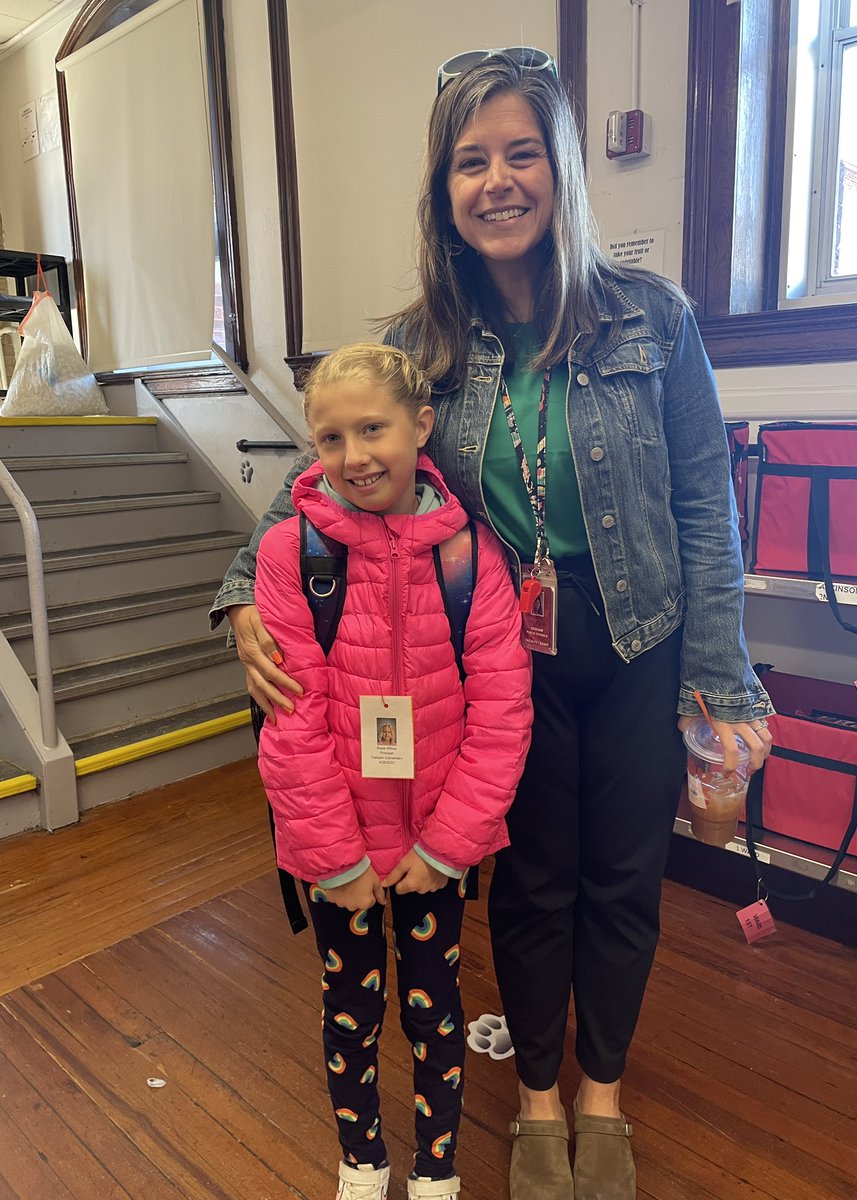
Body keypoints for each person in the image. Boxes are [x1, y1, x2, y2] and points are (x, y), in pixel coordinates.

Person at [211, 50, 773, 1200]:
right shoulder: (422, 344)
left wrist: (719, 684)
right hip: (498, 664)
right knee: (525, 886)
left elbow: (706, 510)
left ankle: (601, 1098)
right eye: (472, 161)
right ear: (444, 189)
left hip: (638, 641)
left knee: (622, 880)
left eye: (523, 154)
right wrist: (236, 601)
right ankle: (533, 1100)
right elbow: (310, 487)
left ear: (561, 170)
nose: (498, 181)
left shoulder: (653, 319)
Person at [252, 342, 532, 1200]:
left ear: (421, 426)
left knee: (434, 1011)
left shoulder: (472, 556)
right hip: (340, 855)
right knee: (352, 1014)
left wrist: (451, 845)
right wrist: (333, 858)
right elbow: (290, 723)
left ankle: (437, 1168)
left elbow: (502, 712)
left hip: (434, 851)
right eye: (330, 438)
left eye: (372, 428)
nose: (354, 455)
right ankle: (364, 1161)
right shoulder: (290, 555)